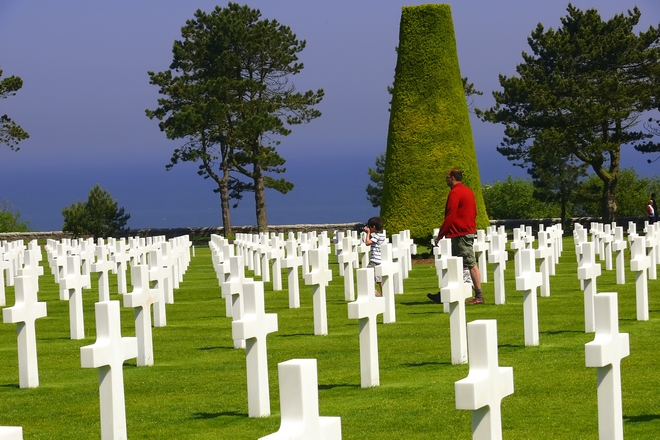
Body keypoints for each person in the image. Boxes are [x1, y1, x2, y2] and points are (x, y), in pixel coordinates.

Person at [427, 169, 484, 305]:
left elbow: (450, 215)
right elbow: (474, 211)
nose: (446, 179)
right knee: (457, 265)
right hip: (466, 230)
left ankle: (479, 295)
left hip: (460, 233)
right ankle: (446, 294)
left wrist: (440, 235)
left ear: (452, 178)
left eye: (447, 177)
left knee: (470, 263)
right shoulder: (468, 191)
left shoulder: (455, 193)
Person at [364, 216, 386, 296]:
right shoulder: (381, 235)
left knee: (365, 275)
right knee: (379, 279)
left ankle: (375, 293)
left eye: (369, 226)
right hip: (379, 260)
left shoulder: (377, 236)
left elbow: (367, 243)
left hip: (374, 260)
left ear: (373, 227)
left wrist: (368, 233)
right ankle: (384, 294)